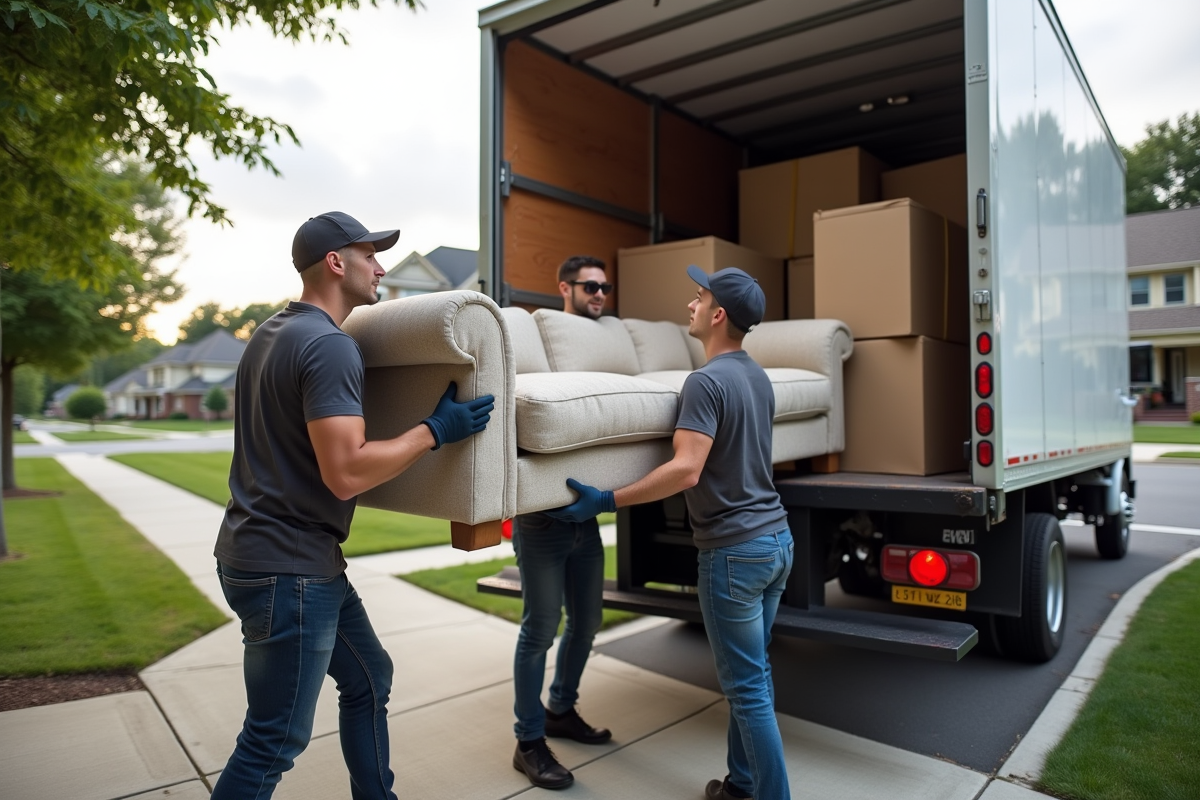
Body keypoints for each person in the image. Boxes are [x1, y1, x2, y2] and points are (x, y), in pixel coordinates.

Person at [212, 211, 495, 800]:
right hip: (287, 571)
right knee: (273, 740)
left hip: (282, 556)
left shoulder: (269, 335)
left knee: (370, 677)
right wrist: (435, 430)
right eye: (371, 255)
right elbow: (345, 474)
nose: (382, 267)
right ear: (336, 263)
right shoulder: (329, 346)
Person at [545, 266, 793, 800]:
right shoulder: (758, 377)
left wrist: (607, 500)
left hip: (734, 552)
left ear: (718, 314)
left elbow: (686, 469)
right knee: (755, 677)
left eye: (699, 297)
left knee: (748, 690)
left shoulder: (705, 381)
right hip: (777, 542)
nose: (691, 305)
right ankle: (742, 784)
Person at [510, 255, 615, 790]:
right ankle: (528, 741)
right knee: (540, 629)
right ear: (564, 289)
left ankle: (559, 709)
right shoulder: (543, 346)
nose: (599, 294)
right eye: (589, 286)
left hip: (587, 520)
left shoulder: (603, 351)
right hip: (541, 524)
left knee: (589, 622)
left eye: (605, 287)